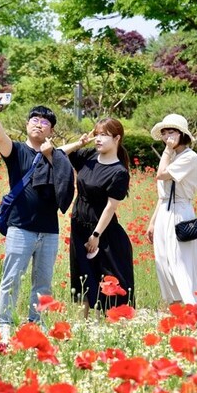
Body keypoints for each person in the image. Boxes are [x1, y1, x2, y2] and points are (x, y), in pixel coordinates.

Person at [0, 92, 74, 344]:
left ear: (52, 131)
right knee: (11, 277)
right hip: (20, 227)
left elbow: (62, 155)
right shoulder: (16, 151)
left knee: (43, 282)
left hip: (49, 230)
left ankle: (37, 322)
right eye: (34, 119)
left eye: (45, 122)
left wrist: (78, 144)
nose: (38, 123)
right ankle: (4, 323)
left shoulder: (54, 156)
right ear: (27, 125)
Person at [61, 118, 134, 316]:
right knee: (82, 276)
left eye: (103, 135)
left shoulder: (119, 172)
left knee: (107, 279)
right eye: (96, 134)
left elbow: (110, 207)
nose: (98, 139)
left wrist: (96, 234)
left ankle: (112, 323)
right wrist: (80, 143)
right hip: (79, 226)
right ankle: (82, 326)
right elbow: (58, 152)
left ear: (117, 138)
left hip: (103, 232)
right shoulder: (89, 156)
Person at [146, 114, 197, 320]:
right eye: (164, 133)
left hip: (180, 213)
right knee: (163, 262)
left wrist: (166, 151)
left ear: (182, 134)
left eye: (171, 132)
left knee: (180, 262)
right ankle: (177, 312)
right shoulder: (171, 156)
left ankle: (194, 313)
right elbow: (163, 195)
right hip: (165, 212)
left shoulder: (189, 157)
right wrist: (153, 221)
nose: (166, 137)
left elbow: (161, 175)